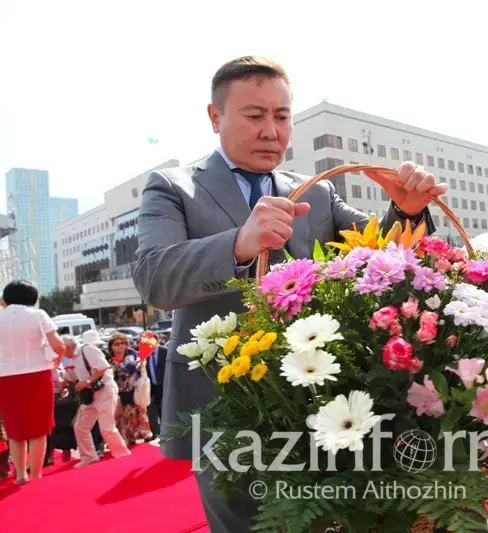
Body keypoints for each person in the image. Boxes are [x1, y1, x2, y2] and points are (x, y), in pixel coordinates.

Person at [133, 55, 445, 533]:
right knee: (243, 523)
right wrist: (240, 242)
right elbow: (154, 278)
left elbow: (376, 254)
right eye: (254, 115)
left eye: (281, 117)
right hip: (223, 404)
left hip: (321, 396)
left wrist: (405, 212)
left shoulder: (315, 192)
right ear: (215, 117)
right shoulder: (174, 186)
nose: (270, 130)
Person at [0, 280, 65, 484]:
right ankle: (36, 474)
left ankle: (20, 475)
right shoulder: (38, 315)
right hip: (36, 374)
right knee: (39, 427)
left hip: (6, 377)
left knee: (14, 428)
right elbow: (59, 345)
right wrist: (56, 361)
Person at [66, 332, 130, 467]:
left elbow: (103, 367)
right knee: (80, 427)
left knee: (106, 427)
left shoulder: (87, 349)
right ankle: (89, 457)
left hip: (104, 390)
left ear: (67, 347)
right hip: (89, 395)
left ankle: (122, 455)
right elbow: (71, 377)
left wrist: (87, 381)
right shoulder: (72, 358)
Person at [107, 332, 152, 446]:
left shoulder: (132, 355)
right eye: (116, 344)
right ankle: (126, 437)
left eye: (123, 343)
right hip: (118, 392)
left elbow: (132, 369)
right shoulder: (108, 359)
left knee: (137, 413)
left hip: (134, 389)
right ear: (111, 346)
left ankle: (139, 435)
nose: (120, 346)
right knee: (123, 416)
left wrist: (140, 363)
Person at [142, 332, 166, 439]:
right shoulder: (143, 354)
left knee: (163, 410)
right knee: (151, 412)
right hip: (150, 388)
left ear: (158, 340)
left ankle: (165, 433)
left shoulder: (165, 352)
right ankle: (155, 432)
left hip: (164, 386)